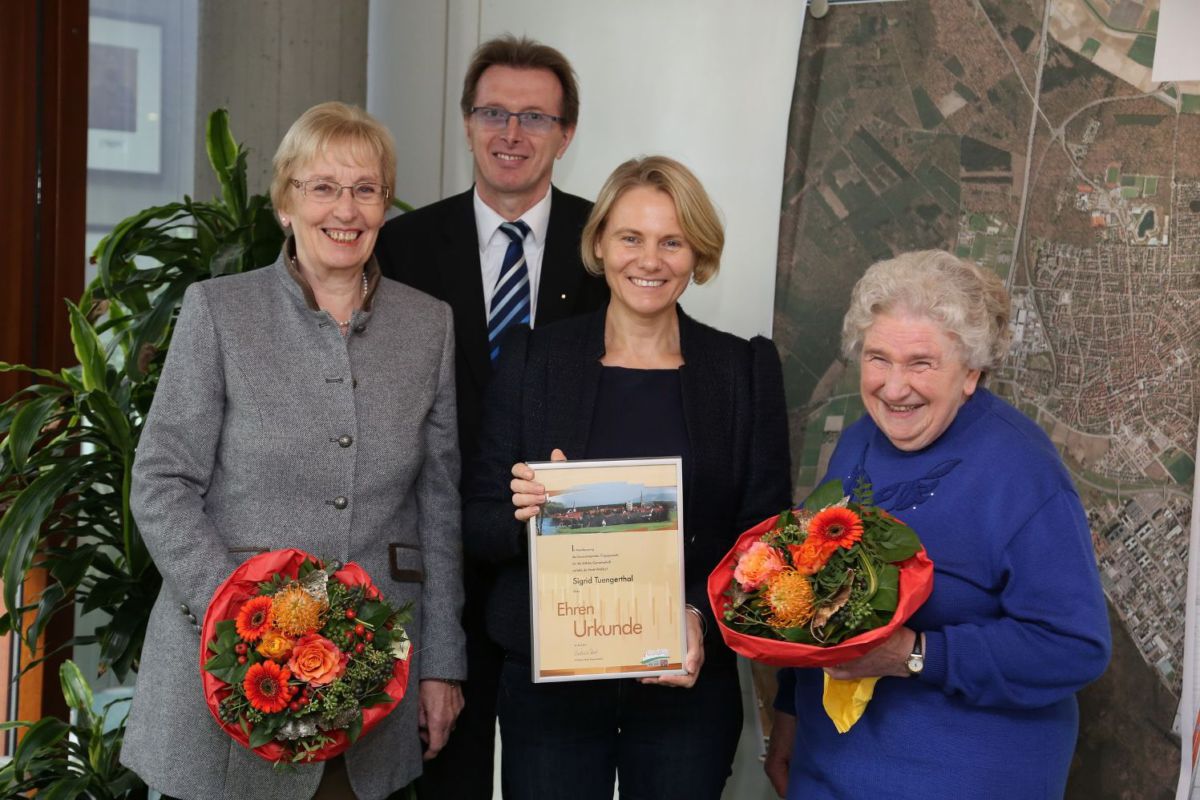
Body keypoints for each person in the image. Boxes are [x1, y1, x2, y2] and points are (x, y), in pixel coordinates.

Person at [122, 101, 466, 800]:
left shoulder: (428, 326)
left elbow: (438, 503)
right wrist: (240, 613)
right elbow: (160, 482)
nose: (346, 209)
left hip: (370, 692)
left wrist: (442, 665)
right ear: (286, 204)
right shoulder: (219, 311)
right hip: (226, 681)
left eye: (366, 189)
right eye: (323, 187)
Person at [463, 156, 792, 799]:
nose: (651, 259)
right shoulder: (533, 361)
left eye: (672, 241)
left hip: (686, 689)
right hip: (550, 687)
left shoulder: (742, 370)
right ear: (599, 245)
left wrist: (698, 612)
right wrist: (525, 511)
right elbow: (476, 522)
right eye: (631, 238)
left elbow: (766, 537)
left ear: (697, 253)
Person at [765, 250, 1111, 799]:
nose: (894, 387)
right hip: (827, 771)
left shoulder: (1022, 471)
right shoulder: (856, 443)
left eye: (921, 363)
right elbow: (817, 593)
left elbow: (1074, 646)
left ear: (971, 371)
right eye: (878, 358)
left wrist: (915, 654)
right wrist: (789, 712)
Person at [373, 35, 609, 798]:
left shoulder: (611, 248)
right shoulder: (401, 246)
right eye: (494, 112)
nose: (512, 134)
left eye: (535, 118)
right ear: (468, 121)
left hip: (572, 568)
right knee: (448, 777)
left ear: (566, 133)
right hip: (439, 565)